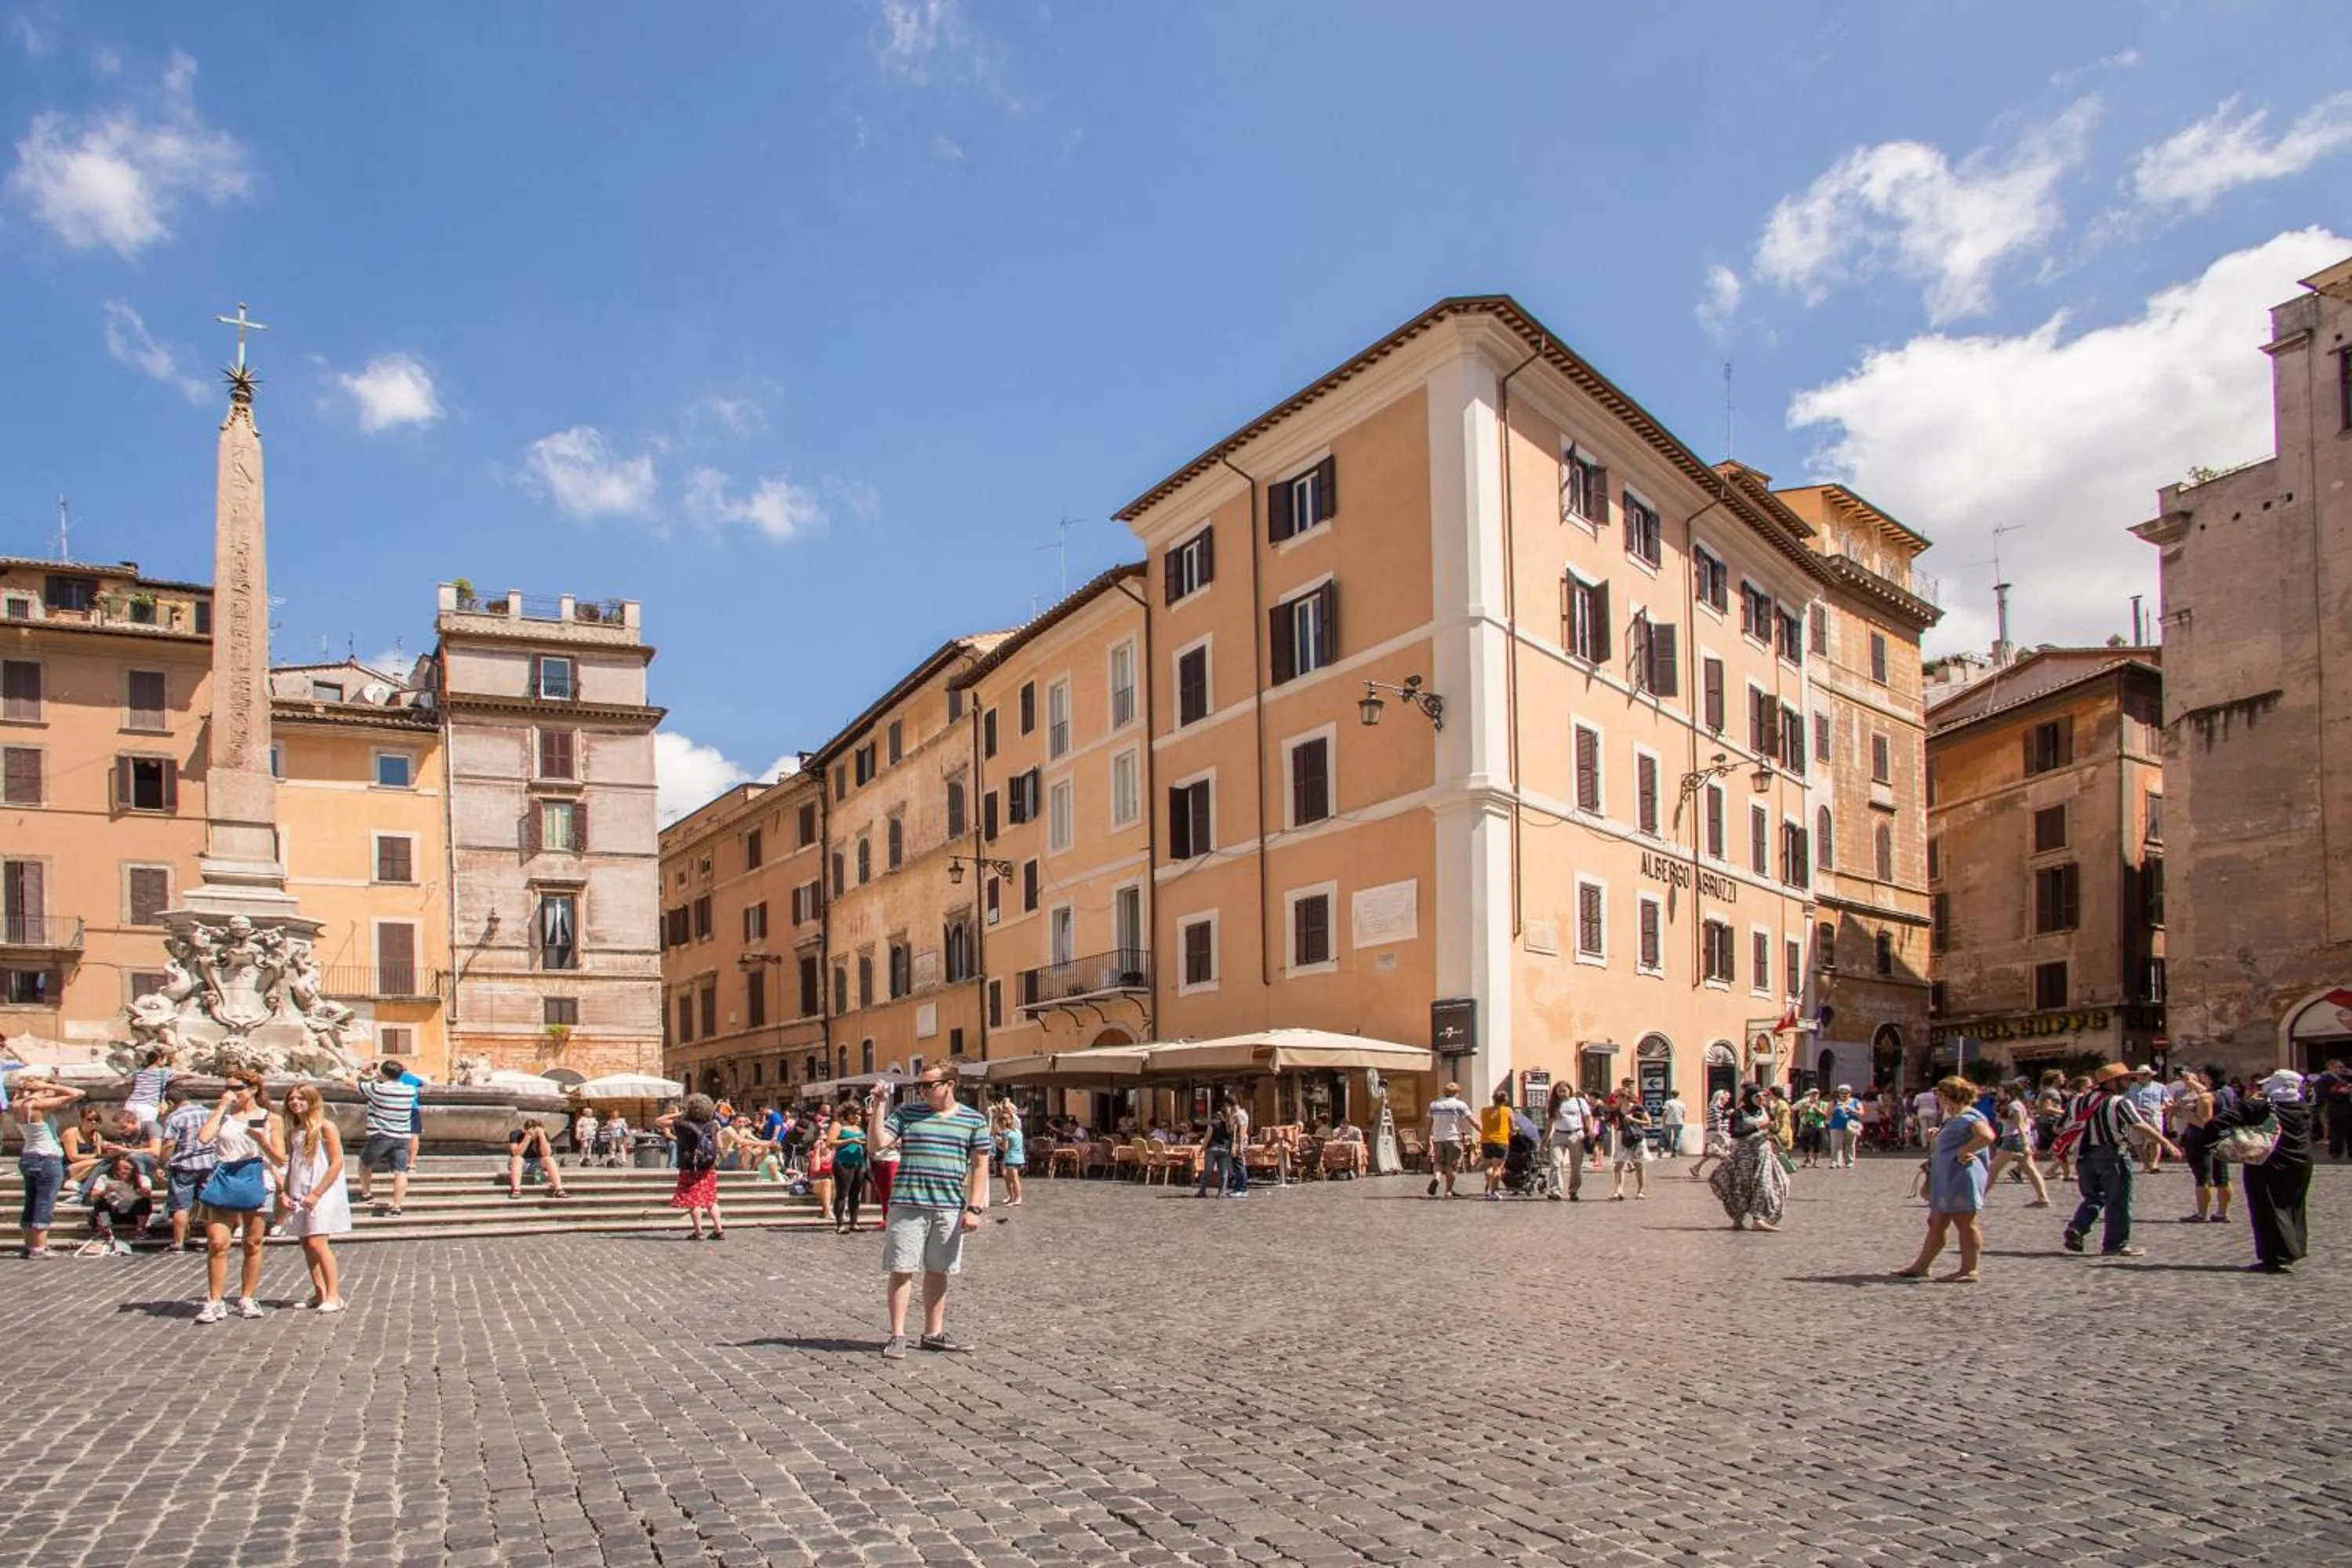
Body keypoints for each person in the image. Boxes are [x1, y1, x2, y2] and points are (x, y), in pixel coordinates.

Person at [869, 1064, 993, 1360]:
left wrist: (974, 1207)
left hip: (948, 1205)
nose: (921, 1091)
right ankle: (897, 1335)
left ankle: (933, 1333)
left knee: (939, 1270)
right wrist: (879, 1107)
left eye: (928, 1085)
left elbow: (980, 1165)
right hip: (908, 1202)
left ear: (949, 1085)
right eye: (920, 1086)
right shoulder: (906, 1114)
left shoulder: (973, 1120)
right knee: (902, 1269)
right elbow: (876, 1146)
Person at [2061, 1062, 2182, 1259]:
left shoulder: (2077, 1102)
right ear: (2112, 1083)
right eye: (2125, 1079)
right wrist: (2166, 1143)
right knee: (2118, 1201)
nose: (2129, 1082)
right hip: (2113, 1154)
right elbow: (2138, 1124)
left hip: (2084, 1156)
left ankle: (2077, 1228)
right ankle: (2115, 1244)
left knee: (2093, 1197)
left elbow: (2060, 1127)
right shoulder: (2118, 1102)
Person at [196, 1069, 282, 1323]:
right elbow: (203, 1138)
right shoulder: (224, 1115)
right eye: (228, 1087)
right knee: (217, 1242)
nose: (231, 1092)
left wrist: (262, 1140)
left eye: (237, 1088)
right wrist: (221, 1108)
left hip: (256, 1177)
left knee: (253, 1242)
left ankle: (247, 1297)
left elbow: (280, 1157)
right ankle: (215, 1301)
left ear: (253, 1089)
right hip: (225, 1176)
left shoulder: (270, 1118)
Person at [1894, 1077, 1998, 1283]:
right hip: (1947, 1176)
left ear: (1945, 1096)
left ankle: (1969, 1270)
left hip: (1961, 1177)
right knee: (1936, 1221)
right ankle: (1921, 1266)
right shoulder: (1954, 1118)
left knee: (1965, 1222)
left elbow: (1987, 1136)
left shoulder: (1969, 1116)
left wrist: (1964, 1151)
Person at [2210, 1069, 2313, 1273]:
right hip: (2300, 1162)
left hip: (2267, 1162)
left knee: (2266, 1208)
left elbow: (2220, 1122)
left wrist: (2236, 1140)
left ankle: (2274, 1256)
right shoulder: (2301, 1106)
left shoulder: (2260, 1106)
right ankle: (2294, 1249)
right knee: (2293, 1205)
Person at [278, 1083, 350, 1312]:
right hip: (300, 1192)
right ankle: (319, 1293)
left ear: (312, 1101)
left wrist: (318, 1192)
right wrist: (285, 1193)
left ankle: (334, 1295)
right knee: (306, 1243)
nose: (295, 1102)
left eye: (300, 1098)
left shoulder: (325, 1127)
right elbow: (292, 1165)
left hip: (322, 1191)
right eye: (291, 1099)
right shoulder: (294, 1132)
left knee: (318, 1243)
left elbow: (337, 1162)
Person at [12, 1076, 83, 1257]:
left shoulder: (18, 1103)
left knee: (31, 1203)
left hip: (28, 1157)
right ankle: (40, 1248)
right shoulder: (39, 1106)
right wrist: (46, 1085)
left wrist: (24, 1089)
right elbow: (78, 1093)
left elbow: (20, 1096)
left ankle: (30, 1246)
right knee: (44, 1203)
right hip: (46, 1158)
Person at [1708, 1087, 1788, 1232]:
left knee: (1764, 1185)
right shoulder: (1738, 1113)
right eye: (1758, 1097)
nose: (1761, 1100)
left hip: (1763, 1155)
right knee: (1741, 1188)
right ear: (1750, 1097)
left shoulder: (1764, 1111)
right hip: (1744, 1157)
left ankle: (1758, 1219)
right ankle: (1738, 1220)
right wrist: (1758, 1127)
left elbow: (1771, 1128)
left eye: (1763, 1097)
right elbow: (1735, 1132)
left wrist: (1774, 1129)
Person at [354, 1059, 421, 1216]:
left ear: (383, 1074)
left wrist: (361, 1069)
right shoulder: (410, 1090)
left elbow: (349, 1082)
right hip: (402, 1136)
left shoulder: (377, 1089)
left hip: (381, 1135)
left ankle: (366, 1193)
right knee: (400, 1171)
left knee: (364, 1163)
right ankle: (397, 1206)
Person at [158, 1083, 219, 1251]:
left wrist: (162, 1163)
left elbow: (169, 1143)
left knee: (180, 1206)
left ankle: (178, 1243)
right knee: (208, 1205)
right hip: (208, 1164)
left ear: (170, 1103)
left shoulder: (176, 1117)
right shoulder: (207, 1112)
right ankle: (213, 1240)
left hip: (184, 1165)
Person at [658, 1094, 726, 1241]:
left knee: (694, 1200)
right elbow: (720, 1146)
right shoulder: (713, 1124)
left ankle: (698, 1231)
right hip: (708, 1167)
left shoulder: (683, 1124)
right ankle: (718, 1229)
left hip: (690, 1166)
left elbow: (659, 1121)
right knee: (711, 1199)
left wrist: (682, 1113)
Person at [2174, 1065, 2234, 1225]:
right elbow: (2209, 1094)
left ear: (2208, 1077)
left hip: (2201, 1140)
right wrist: (2190, 1081)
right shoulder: (2227, 1091)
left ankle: (2202, 1214)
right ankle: (2222, 1213)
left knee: (2203, 1178)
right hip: (2222, 1137)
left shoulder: (2205, 1097)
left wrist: (2182, 1112)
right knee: (2223, 1177)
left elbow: (2204, 1122)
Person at [1982, 1082, 2052, 1207]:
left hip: (2013, 1140)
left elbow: (2020, 1126)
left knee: (1993, 1169)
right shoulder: (2013, 1105)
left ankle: (1979, 1197)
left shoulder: (2014, 1106)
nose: (1998, 1093)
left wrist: (2025, 1144)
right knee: (2030, 1170)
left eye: (2000, 1091)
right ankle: (2043, 1197)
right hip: (2015, 1139)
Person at [80, 1154, 154, 1254]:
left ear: (133, 1169)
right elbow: (94, 1194)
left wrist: (135, 1192)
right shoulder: (105, 1178)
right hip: (113, 1212)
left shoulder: (142, 1178)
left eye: (126, 1169)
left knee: (144, 1201)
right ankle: (105, 1229)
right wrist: (106, 1191)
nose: (122, 1172)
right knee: (100, 1202)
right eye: (118, 1169)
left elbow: (147, 1192)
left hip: (132, 1213)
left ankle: (140, 1229)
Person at [1425, 1082, 1475, 1199]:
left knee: (1438, 1162)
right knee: (1451, 1165)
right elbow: (1472, 1121)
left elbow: (1428, 1124)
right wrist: (1483, 1131)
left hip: (1437, 1138)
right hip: (1453, 1138)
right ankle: (1448, 1191)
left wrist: (1427, 1140)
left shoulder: (1434, 1105)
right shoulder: (1460, 1105)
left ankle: (1436, 1178)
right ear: (1457, 1093)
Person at [827, 1103, 871, 1232]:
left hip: (858, 1163)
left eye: (858, 1114)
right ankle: (840, 1224)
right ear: (847, 1114)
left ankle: (854, 1222)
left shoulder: (859, 1127)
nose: (857, 1117)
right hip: (842, 1163)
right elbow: (830, 1143)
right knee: (842, 1194)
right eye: (854, 1114)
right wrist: (850, 1141)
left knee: (855, 1194)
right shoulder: (838, 1125)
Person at [1544, 1083, 1589, 1201]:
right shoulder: (1553, 1104)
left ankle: (1573, 1190)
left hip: (1575, 1134)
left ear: (1570, 1090)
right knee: (1556, 1163)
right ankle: (1555, 1191)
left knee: (1576, 1165)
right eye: (1559, 1091)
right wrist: (1545, 1141)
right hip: (1558, 1135)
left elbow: (1587, 1117)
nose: (1562, 1094)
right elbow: (1549, 1123)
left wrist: (1589, 1131)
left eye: (1564, 1091)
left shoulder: (1579, 1101)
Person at [506, 1120, 571, 1200]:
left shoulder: (543, 1135)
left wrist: (542, 1136)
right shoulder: (516, 1134)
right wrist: (528, 1137)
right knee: (517, 1159)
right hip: (520, 1163)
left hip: (536, 1164)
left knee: (549, 1159)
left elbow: (547, 1154)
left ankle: (559, 1189)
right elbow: (516, 1153)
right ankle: (516, 1190)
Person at [2129, 1065, 2171, 1173]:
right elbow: (2125, 1101)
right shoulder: (2130, 1087)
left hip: (2154, 1115)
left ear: (2150, 1075)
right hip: (2135, 1116)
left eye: (2145, 1074)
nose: (2142, 1076)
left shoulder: (2160, 1087)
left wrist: (2159, 1109)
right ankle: (2146, 1164)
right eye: (2140, 1074)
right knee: (2138, 1142)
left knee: (2155, 1140)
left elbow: (2168, 1102)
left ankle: (2155, 1164)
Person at [1610, 1095, 1652, 1200]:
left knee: (1638, 1164)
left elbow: (1649, 1122)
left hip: (1636, 1137)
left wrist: (1633, 1119)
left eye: (1617, 1096)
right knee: (1619, 1164)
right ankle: (1619, 1190)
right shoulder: (1616, 1108)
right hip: (1622, 1137)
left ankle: (1641, 1190)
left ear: (1625, 1097)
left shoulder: (1638, 1108)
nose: (1615, 1099)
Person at [1479, 1086, 1515, 1200]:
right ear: (1505, 1100)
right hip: (1500, 1141)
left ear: (1493, 1098)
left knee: (1489, 1167)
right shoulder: (1507, 1111)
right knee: (1498, 1168)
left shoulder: (1484, 1110)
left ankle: (1488, 1188)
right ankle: (1494, 1191)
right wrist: (1510, 1135)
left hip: (1486, 1141)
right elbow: (1513, 1128)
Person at [1689, 1090, 1733, 1182]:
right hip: (1718, 1133)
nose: (1728, 1099)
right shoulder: (1716, 1107)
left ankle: (1697, 1167)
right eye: (1727, 1097)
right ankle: (1723, 1174)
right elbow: (1718, 1121)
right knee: (1724, 1154)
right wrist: (1720, 1133)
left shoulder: (1715, 1107)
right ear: (1721, 1097)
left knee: (1713, 1153)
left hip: (1715, 1132)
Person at [123, 1048, 172, 1127]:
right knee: (146, 1132)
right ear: (159, 1059)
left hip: (131, 1104)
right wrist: (198, 1076)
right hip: (148, 1106)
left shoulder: (138, 1072)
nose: (166, 1061)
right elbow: (186, 1075)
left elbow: (128, 1080)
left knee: (130, 1132)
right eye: (165, 1059)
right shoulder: (164, 1072)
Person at [993, 1102, 1026, 1207]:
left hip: (1011, 1158)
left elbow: (1005, 1148)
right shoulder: (1018, 1131)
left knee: (1013, 1179)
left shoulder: (1007, 1133)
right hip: (1020, 1157)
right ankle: (1013, 1197)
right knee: (1012, 1179)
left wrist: (998, 1144)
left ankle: (1017, 1198)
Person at [1824, 1086, 1861, 1169]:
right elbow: (1827, 1114)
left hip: (1851, 1125)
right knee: (1836, 1145)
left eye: (1846, 1093)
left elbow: (1861, 1113)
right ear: (1839, 1094)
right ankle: (1835, 1162)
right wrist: (1835, 1109)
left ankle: (1850, 1162)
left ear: (1850, 1093)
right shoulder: (1834, 1102)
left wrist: (1852, 1109)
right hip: (1836, 1125)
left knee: (1850, 1144)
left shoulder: (1855, 1102)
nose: (1844, 1095)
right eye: (1842, 1093)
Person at [1794, 1089, 1828, 1169]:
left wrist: (1816, 1109)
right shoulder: (1805, 1104)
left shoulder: (1823, 1104)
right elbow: (1800, 1115)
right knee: (1805, 1144)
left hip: (1818, 1125)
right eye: (1812, 1094)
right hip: (1806, 1126)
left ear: (1819, 1095)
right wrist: (1805, 1109)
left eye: (1816, 1094)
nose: (1814, 1096)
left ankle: (1815, 1161)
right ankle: (1808, 1158)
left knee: (1817, 1145)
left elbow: (1826, 1115)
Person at [1658, 1091, 1687, 1159]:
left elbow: (1665, 1113)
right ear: (1679, 1095)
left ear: (1672, 1095)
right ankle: (1674, 1152)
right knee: (1677, 1137)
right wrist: (1683, 1121)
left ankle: (1661, 1148)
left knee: (1664, 1135)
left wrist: (1663, 1122)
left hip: (1668, 1122)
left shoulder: (1668, 1102)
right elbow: (1684, 1114)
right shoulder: (1682, 1103)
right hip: (1679, 1122)